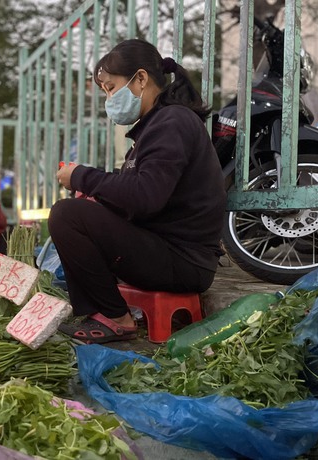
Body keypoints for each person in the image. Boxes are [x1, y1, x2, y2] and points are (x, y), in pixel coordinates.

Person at [51, 39, 226, 343]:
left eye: (111, 87)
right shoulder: (155, 128)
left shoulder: (172, 122)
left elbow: (146, 196)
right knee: (82, 212)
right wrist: (100, 197)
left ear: (141, 79)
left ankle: (115, 318)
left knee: (67, 215)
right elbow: (140, 197)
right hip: (166, 250)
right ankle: (101, 311)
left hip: (183, 260)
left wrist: (81, 176)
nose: (109, 98)